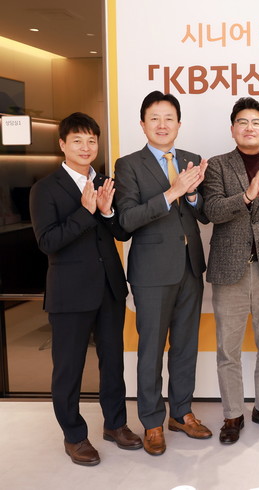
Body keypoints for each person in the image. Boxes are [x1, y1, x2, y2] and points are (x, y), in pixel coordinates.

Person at [29, 112, 142, 466]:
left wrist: (106, 213)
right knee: (69, 368)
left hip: (109, 287)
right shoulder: (44, 188)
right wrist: (85, 212)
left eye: (92, 140)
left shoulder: (106, 182)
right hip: (69, 292)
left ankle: (115, 424)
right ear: (62, 144)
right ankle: (74, 435)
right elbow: (48, 242)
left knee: (113, 363)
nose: (86, 147)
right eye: (77, 140)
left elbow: (121, 232)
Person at [114, 91, 211, 456]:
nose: (162, 124)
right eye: (154, 118)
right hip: (152, 272)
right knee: (152, 350)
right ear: (143, 124)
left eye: (169, 118)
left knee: (185, 347)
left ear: (179, 124)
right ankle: (152, 422)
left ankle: (181, 413)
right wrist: (173, 192)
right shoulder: (128, 165)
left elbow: (203, 215)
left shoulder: (190, 159)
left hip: (190, 266)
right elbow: (127, 220)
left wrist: (192, 196)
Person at [201, 97, 259, 444]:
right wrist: (245, 196)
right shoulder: (217, 166)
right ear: (232, 128)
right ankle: (232, 414)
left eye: (256, 122)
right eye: (243, 122)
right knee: (228, 349)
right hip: (229, 269)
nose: (249, 128)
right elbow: (211, 211)